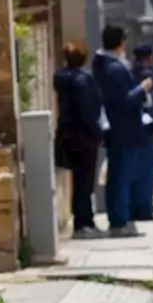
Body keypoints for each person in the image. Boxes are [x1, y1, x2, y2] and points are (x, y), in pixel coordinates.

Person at [92, 25, 153, 238]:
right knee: (121, 177)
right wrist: (143, 88)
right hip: (124, 130)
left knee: (119, 176)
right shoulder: (114, 68)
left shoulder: (107, 65)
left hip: (119, 130)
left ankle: (120, 219)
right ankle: (119, 220)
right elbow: (124, 100)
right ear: (120, 42)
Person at [53, 40, 104, 239]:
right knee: (85, 181)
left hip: (67, 134)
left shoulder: (61, 79)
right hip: (84, 136)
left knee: (78, 180)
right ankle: (84, 222)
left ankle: (83, 221)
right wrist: (97, 131)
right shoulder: (83, 81)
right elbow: (87, 110)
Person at [131, 44, 153, 222]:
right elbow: (152, 103)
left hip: (133, 127)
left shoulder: (129, 72)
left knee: (136, 170)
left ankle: (137, 207)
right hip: (147, 128)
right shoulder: (148, 76)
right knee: (147, 170)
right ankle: (144, 209)